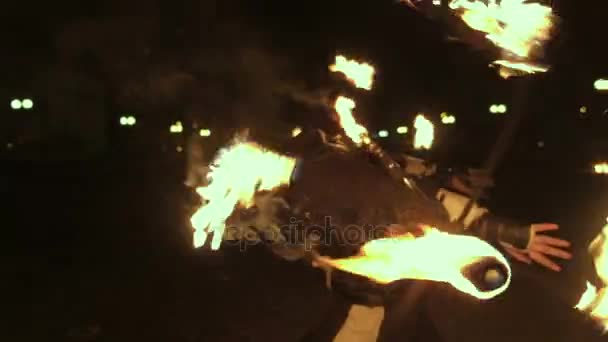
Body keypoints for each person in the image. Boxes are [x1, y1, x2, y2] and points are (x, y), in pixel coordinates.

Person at [280, 129, 572, 342]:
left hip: (381, 293)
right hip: (360, 295)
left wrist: (504, 231)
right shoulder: (301, 187)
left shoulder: (358, 162)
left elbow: (426, 201)